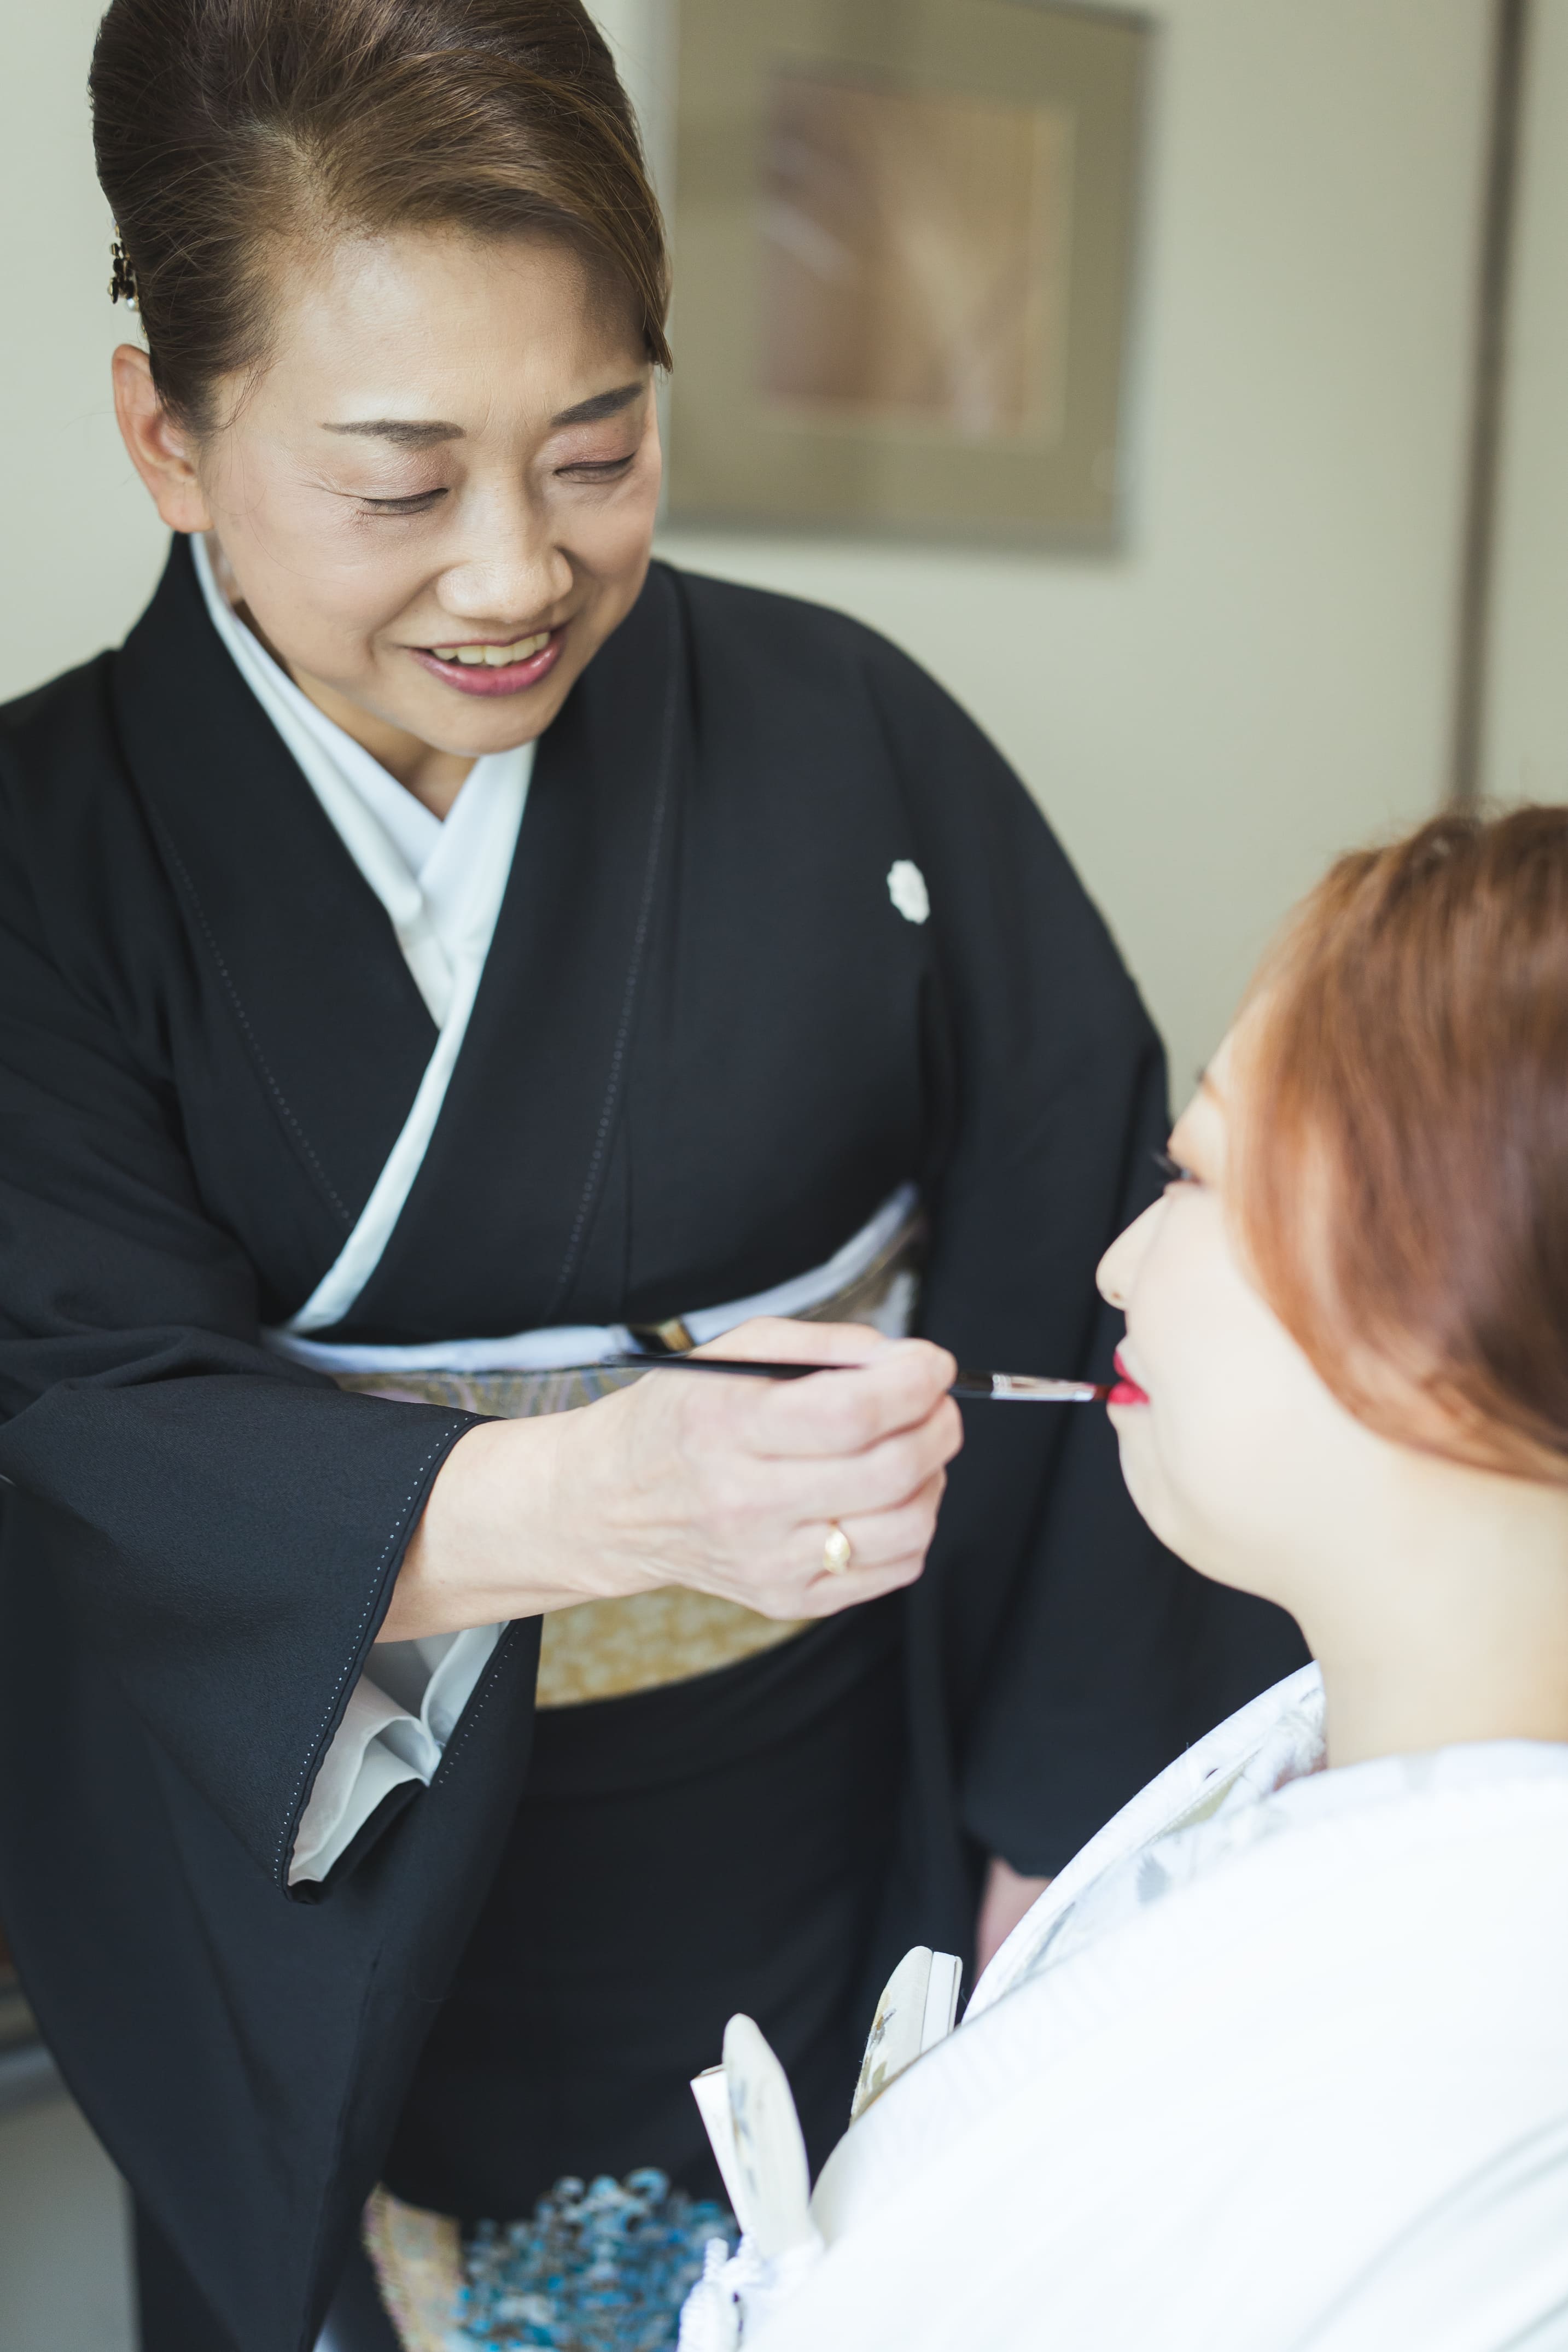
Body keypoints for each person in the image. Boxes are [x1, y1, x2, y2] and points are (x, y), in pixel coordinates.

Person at [0, 4, 1301, 2348]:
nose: (517, 571)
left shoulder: (846, 736)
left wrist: (1063, 1846)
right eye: (401, 487)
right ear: (165, 435)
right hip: (316, 1907)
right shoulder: (40, 857)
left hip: (834, 1841)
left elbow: (1078, 1236)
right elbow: (79, 1426)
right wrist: (594, 1498)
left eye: (597, 450)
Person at [683, 805, 1568, 2352]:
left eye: (1191, 1175)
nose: (1114, 1267)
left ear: (1447, 1287)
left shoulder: (1485, 2099)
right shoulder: (1324, 1767)